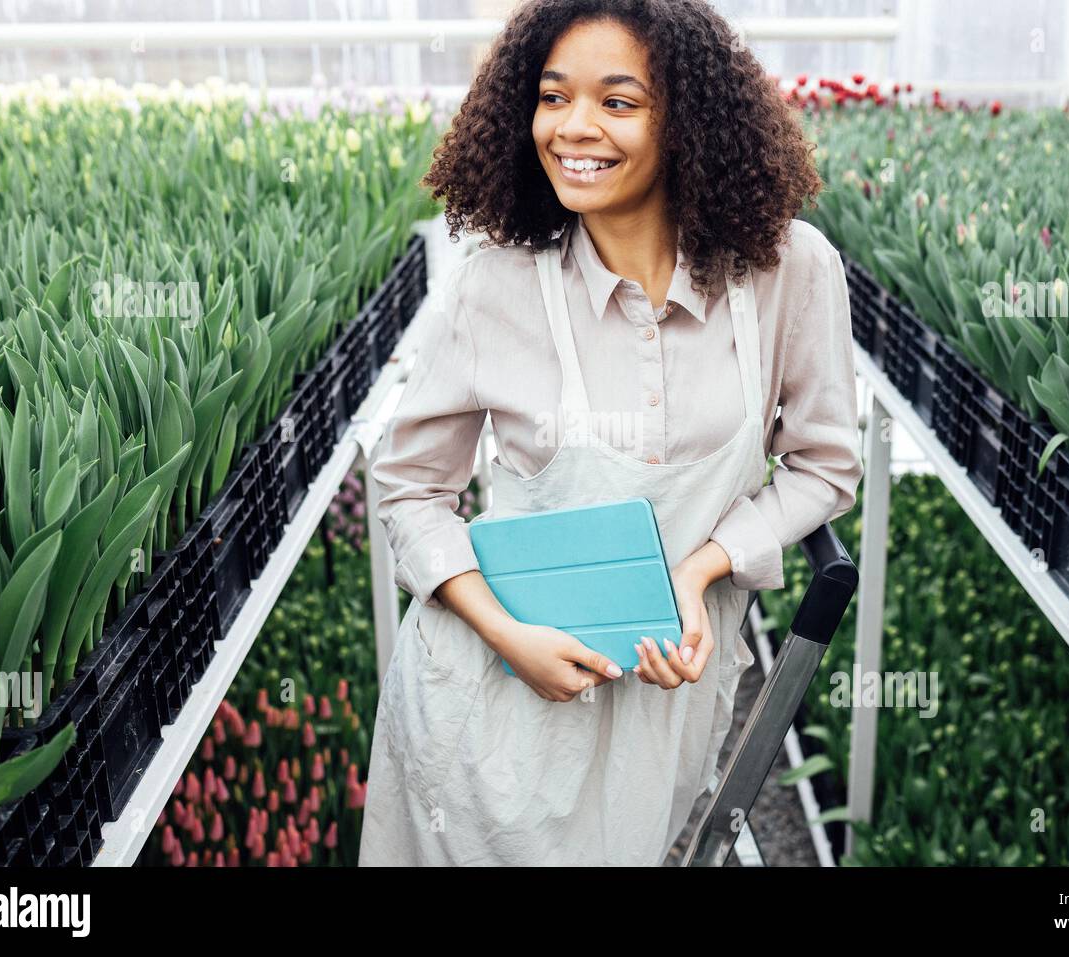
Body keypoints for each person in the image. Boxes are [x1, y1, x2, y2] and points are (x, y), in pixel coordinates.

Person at [358, 0, 863, 866]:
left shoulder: (790, 271)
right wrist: (506, 633)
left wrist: (703, 565)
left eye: (617, 102)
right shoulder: (498, 286)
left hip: (663, 698)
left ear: (689, 124)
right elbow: (410, 488)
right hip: (492, 693)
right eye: (554, 98)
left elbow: (824, 467)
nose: (573, 127)